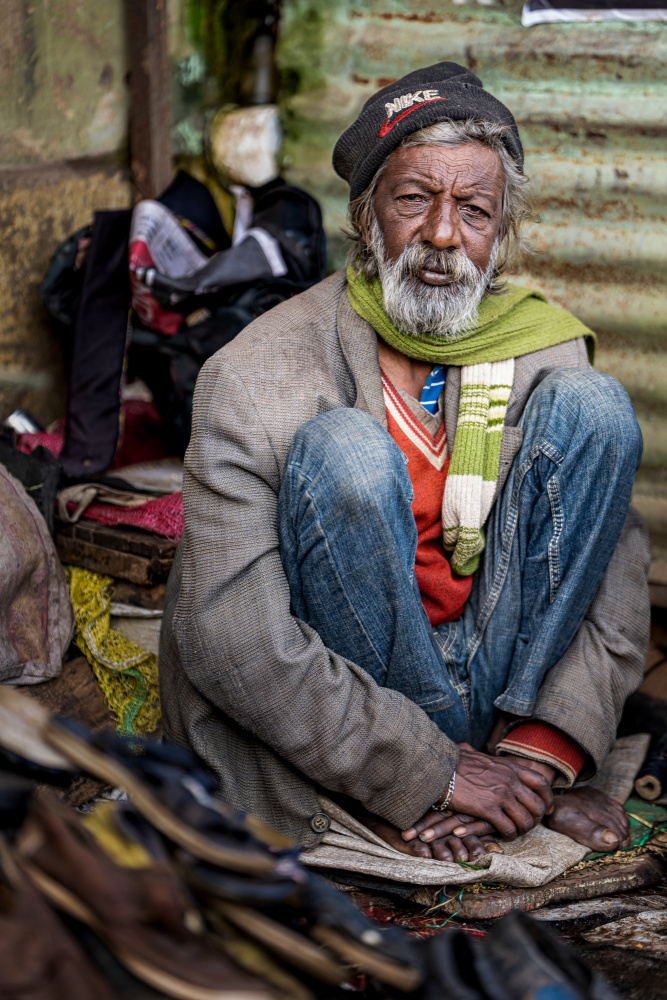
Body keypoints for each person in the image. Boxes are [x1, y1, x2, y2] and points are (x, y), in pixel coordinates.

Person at [159, 63, 650, 863]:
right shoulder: (256, 374)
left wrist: (536, 753)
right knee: (345, 451)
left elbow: (613, 574)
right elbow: (229, 637)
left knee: (596, 405)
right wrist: (423, 772)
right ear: (366, 214)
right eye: (414, 200)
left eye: (474, 210)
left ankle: (515, 771)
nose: (444, 235)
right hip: (357, 703)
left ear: (501, 234)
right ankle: (400, 787)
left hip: (499, 693)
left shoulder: (540, 345)